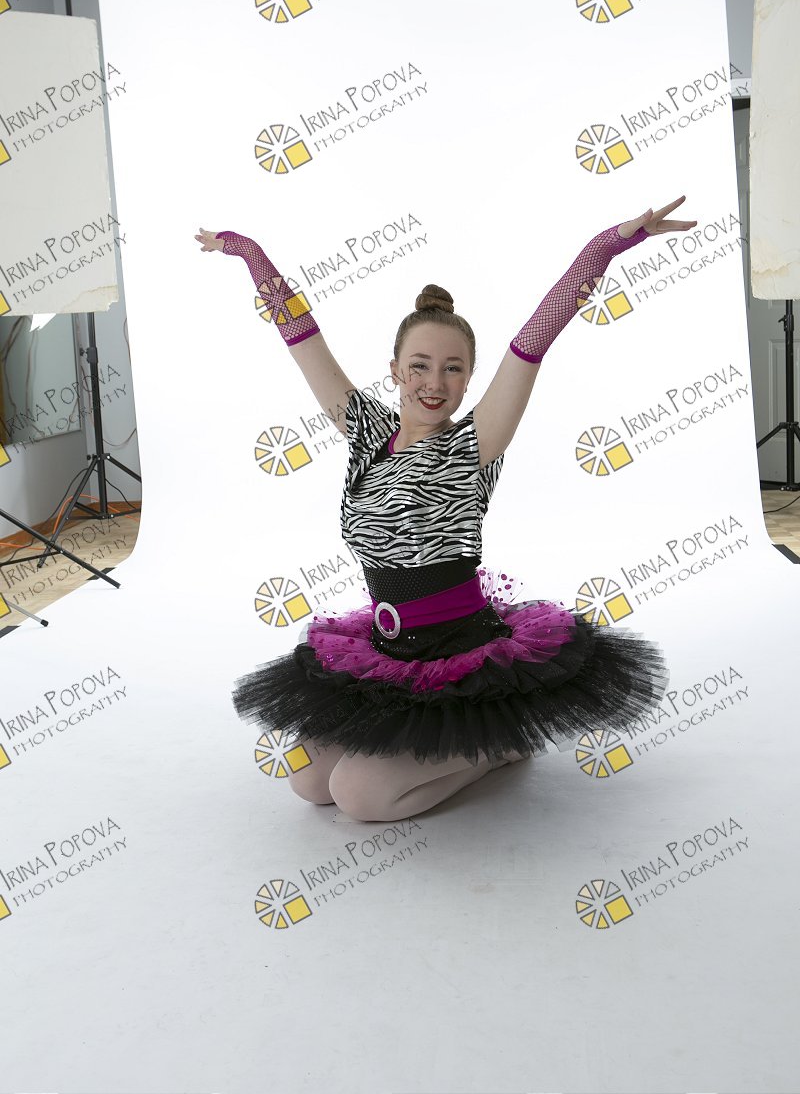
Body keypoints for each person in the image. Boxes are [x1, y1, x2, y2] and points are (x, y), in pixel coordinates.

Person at [195, 195, 696, 822]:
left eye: (453, 369)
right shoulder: (366, 433)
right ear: (395, 370)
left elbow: (534, 339)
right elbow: (302, 336)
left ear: (469, 378)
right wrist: (250, 255)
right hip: (387, 654)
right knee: (308, 782)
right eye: (420, 366)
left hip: (458, 657)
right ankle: (426, 749)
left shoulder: (474, 444)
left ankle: (498, 742)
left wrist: (606, 247)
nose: (435, 383)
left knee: (359, 796)